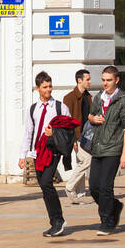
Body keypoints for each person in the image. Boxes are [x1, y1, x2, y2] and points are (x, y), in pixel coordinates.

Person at [18, 72, 68, 237]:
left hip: (53, 151)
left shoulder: (60, 108)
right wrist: (22, 155)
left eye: (50, 86)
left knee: (46, 182)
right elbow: (28, 132)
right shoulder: (33, 109)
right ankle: (54, 222)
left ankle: (58, 220)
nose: (49, 90)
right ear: (37, 88)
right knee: (44, 186)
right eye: (45, 87)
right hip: (36, 152)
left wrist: (53, 133)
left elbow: (68, 130)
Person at [87, 66, 125, 236]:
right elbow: (90, 116)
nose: (105, 83)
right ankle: (114, 206)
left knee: (106, 187)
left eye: (109, 80)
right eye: (103, 80)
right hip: (98, 147)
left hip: (114, 148)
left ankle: (107, 221)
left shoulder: (124, 100)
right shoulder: (99, 97)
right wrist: (94, 118)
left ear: (117, 80)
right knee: (93, 187)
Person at [61, 69, 93, 204]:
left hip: (88, 136)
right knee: (87, 161)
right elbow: (66, 121)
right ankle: (69, 186)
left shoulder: (88, 96)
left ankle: (79, 195)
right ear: (79, 80)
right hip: (77, 136)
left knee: (82, 163)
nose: (90, 82)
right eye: (87, 79)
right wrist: (72, 139)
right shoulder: (69, 98)